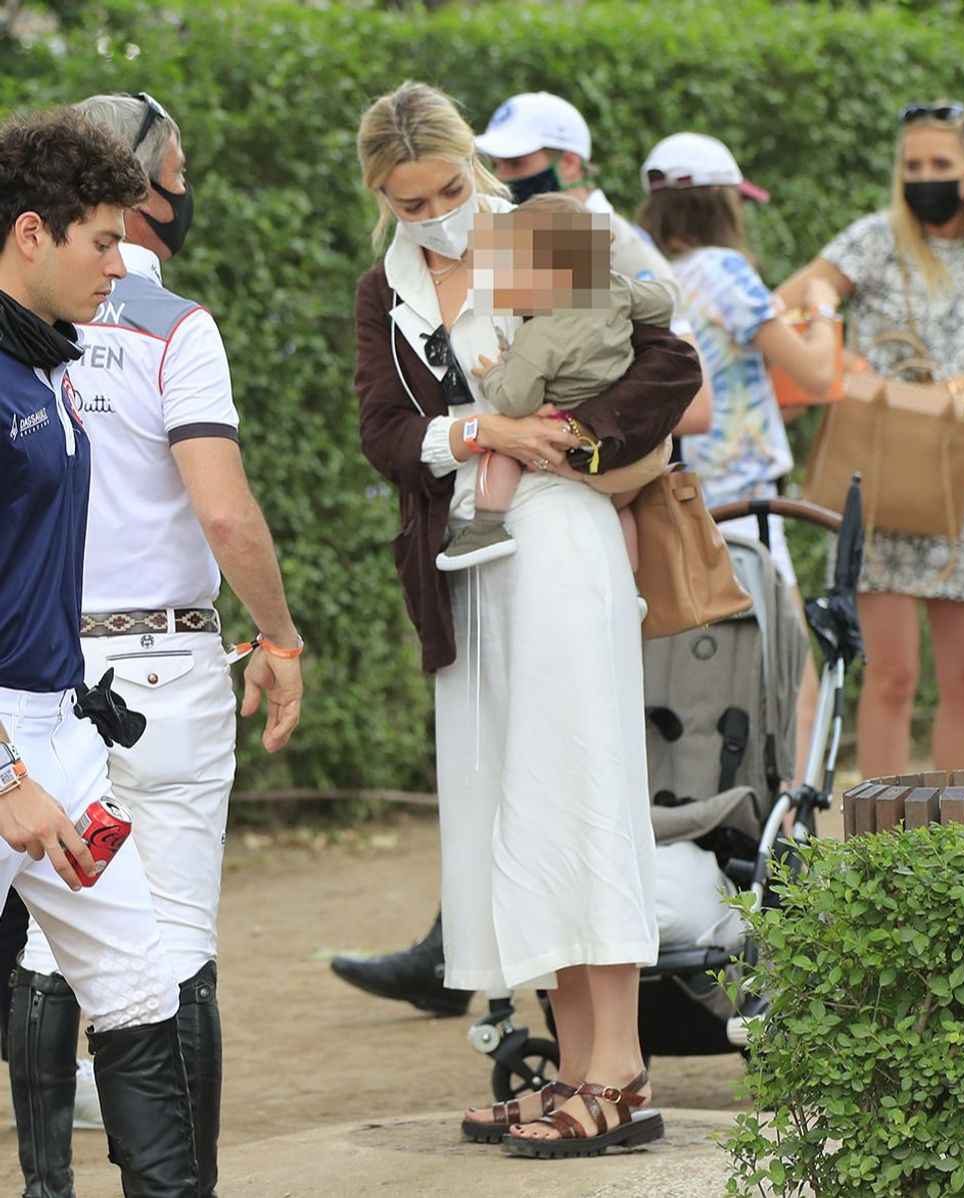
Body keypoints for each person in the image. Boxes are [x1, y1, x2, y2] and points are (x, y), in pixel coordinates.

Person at [353, 81, 701, 1156]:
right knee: (513, 800)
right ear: (381, 196)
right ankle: (577, 1062)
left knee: (580, 782)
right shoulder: (387, 290)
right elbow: (382, 432)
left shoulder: (541, 239)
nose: (434, 213)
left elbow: (671, 368)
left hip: (558, 539)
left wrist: (568, 435)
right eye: (409, 201)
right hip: (463, 562)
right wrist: (474, 435)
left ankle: (621, 1073)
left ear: (476, 167)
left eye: (447, 188)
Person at [7, 92, 304, 1198]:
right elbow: (224, 514)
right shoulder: (170, 325)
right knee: (169, 943)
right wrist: (278, 631)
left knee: (76, 946)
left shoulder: (37, 338)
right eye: (168, 179)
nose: (172, 203)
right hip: (150, 671)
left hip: (54, 680)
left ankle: (51, 1185)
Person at [0, 106, 201, 1195]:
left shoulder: (49, 364)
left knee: (139, 982)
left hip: (59, 728)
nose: (121, 264)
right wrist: (4, 773)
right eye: (103, 241)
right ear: (32, 233)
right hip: (4, 747)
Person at [777, 101, 964, 777]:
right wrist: (838, 355)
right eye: (913, 164)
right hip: (880, 479)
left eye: (939, 164)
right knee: (889, 677)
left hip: (961, 487)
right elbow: (790, 303)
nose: (924, 177)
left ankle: (956, 845)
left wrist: (951, 393)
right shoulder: (874, 238)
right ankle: (882, 849)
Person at [635, 132, 840, 782]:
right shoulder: (725, 271)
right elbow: (815, 374)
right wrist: (826, 310)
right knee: (793, 676)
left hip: (681, 495)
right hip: (749, 503)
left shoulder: (648, 272)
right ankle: (794, 836)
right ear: (725, 202)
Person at [438, 193, 674, 571]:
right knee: (621, 512)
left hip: (582, 446)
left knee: (503, 449)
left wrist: (494, 375)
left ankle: (486, 529)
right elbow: (664, 303)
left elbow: (517, 401)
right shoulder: (611, 289)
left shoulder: (539, 335)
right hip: (646, 448)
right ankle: (631, 586)